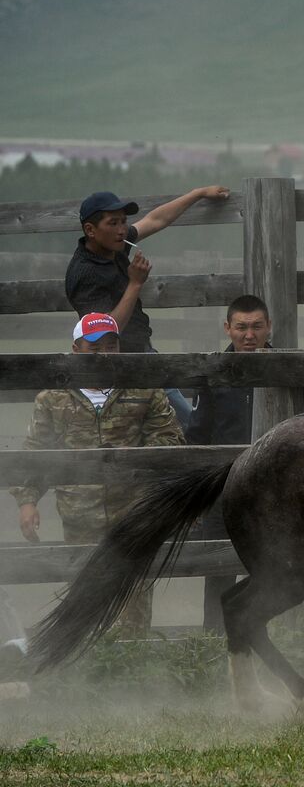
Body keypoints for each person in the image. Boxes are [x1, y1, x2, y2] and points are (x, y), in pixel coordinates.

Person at [9, 313, 186, 634]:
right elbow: (36, 453)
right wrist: (27, 500)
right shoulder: (53, 398)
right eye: (93, 346)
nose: (103, 352)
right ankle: (89, 675)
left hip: (134, 518)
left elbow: (170, 440)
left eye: (110, 344)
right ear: (76, 349)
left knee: (132, 610)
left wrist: (134, 465)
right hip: (80, 519)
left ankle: (133, 670)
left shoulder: (143, 389)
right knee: (83, 608)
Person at [65, 186, 231, 426]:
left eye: (123, 222)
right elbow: (105, 333)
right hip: (118, 368)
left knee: (185, 427)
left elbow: (156, 219)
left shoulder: (115, 245)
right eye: (113, 223)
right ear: (90, 230)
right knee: (185, 427)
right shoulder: (85, 273)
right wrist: (135, 283)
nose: (122, 230)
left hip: (143, 355)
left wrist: (199, 193)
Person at [186, 294, 273, 634]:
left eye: (256, 327)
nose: (249, 335)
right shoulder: (213, 372)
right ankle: (214, 643)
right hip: (222, 488)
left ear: (269, 327)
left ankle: (273, 641)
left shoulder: (287, 365)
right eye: (241, 327)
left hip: (274, 490)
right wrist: (198, 496)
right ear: (228, 328)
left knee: (277, 569)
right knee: (218, 569)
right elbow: (197, 437)